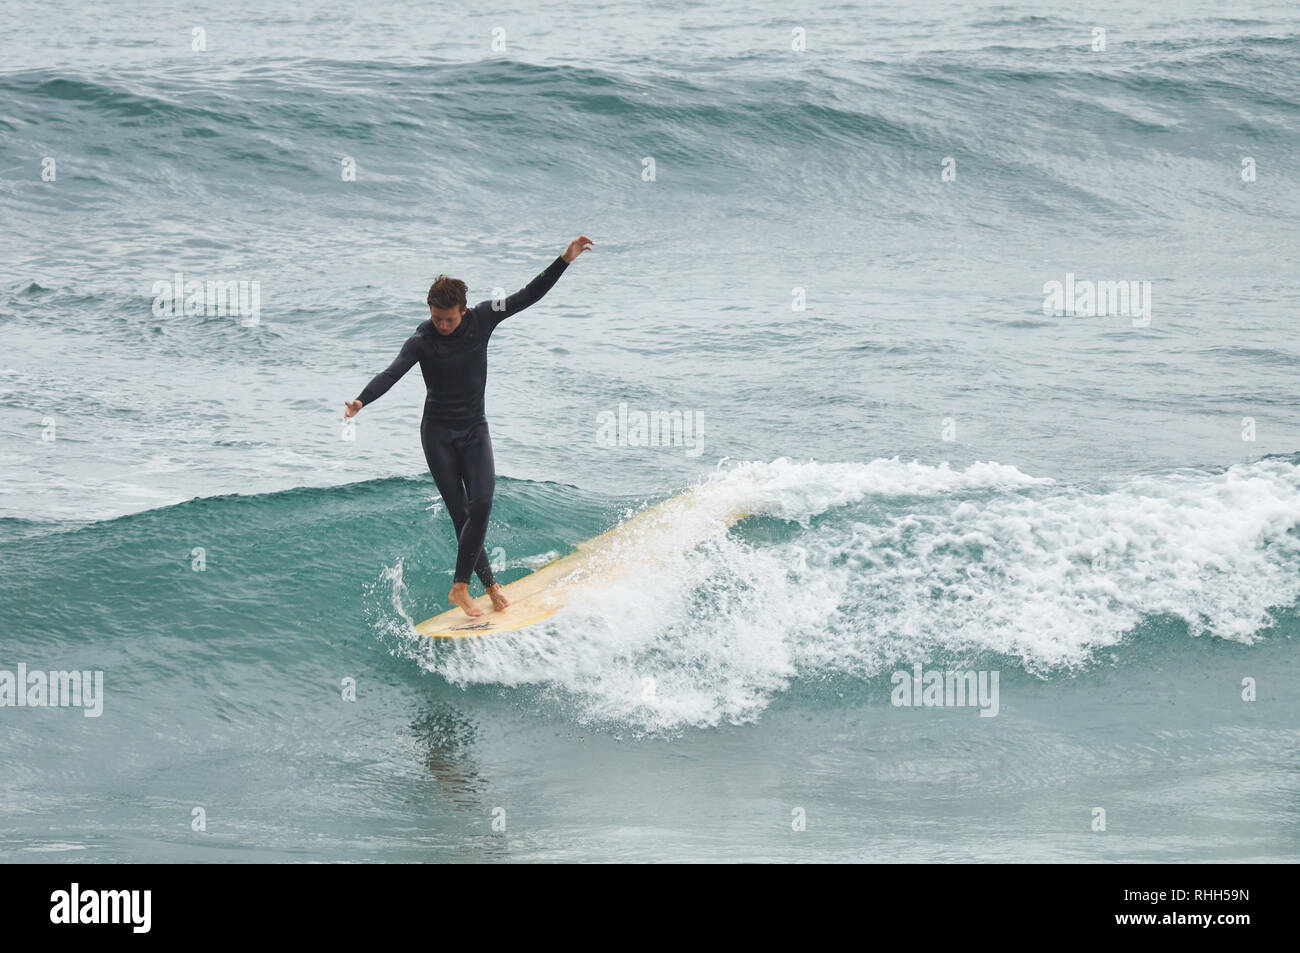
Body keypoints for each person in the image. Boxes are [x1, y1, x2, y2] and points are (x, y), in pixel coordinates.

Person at [345, 236, 593, 617]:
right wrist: (362, 399)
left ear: (463, 310)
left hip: (474, 429)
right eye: (435, 317)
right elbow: (391, 372)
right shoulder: (421, 340)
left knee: (483, 502)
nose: (441, 325)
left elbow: (528, 294)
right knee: (461, 513)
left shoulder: (484, 316)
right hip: (438, 435)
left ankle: (468, 587)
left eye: (449, 318)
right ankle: (483, 588)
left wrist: (564, 260)